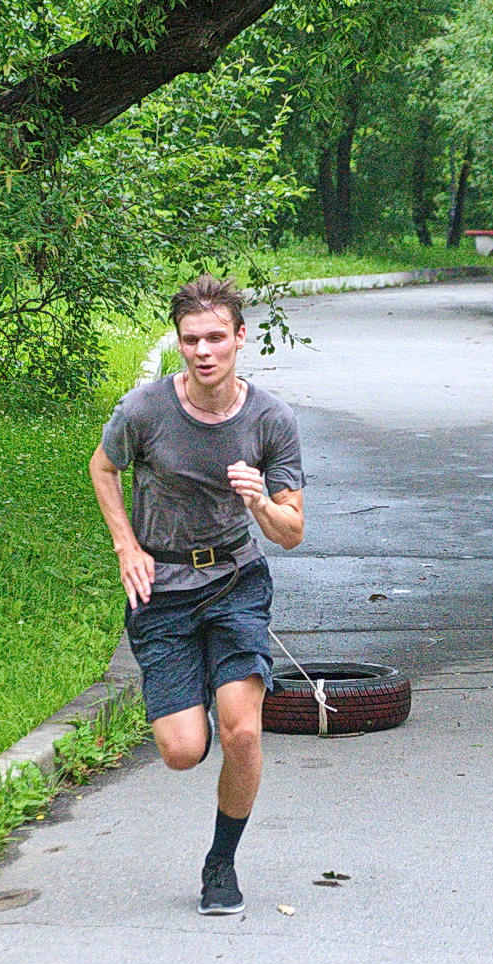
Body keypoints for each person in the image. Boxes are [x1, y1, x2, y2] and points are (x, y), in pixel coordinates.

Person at [88, 274, 305, 916]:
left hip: (236, 583)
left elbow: (290, 533)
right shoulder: (145, 410)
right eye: (191, 340)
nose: (204, 351)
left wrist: (260, 500)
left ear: (241, 339)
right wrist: (127, 545)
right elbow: (103, 467)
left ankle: (221, 862)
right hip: (163, 591)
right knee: (184, 751)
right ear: (179, 345)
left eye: (217, 337)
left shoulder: (271, 419)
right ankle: (203, 691)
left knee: (242, 732)